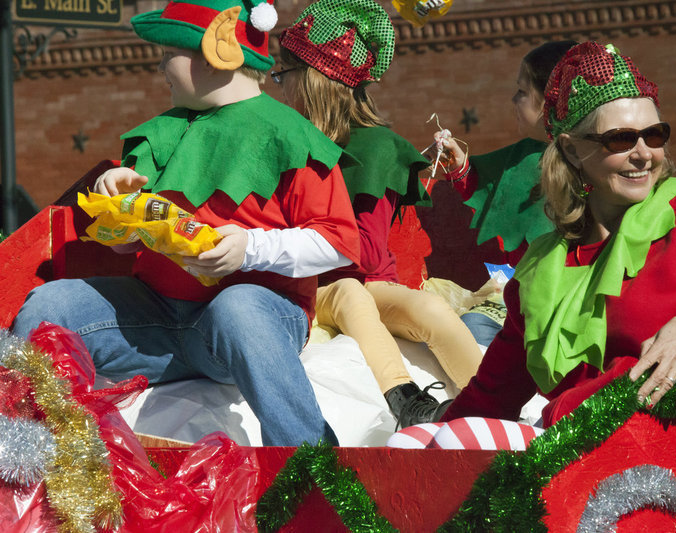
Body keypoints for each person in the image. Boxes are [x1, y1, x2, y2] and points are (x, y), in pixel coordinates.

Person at [392, 41, 676, 448]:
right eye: (620, 139)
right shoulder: (540, 271)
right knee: (415, 444)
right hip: (577, 466)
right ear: (571, 149)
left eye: (655, 135)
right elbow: (491, 396)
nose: (644, 154)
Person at [12, 0, 361, 447]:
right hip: (154, 319)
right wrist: (118, 204)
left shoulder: (290, 135)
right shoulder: (158, 133)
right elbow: (125, 247)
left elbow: (338, 243)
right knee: (47, 306)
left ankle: (309, 464)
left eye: (168, 52)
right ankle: (31, 456)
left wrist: (250, 248)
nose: (159, 65)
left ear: (215, 53)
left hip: (248, 323)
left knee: (238, 308)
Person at [275, 0, 484, 427]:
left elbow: (368, 254)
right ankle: (404, 399)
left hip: (371, 284)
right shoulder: (288, 144)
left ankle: (492, 404)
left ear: (314, 80)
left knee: (428, 310)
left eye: (285, 75)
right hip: (317, 291)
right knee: (351, 294)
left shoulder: (374, 147)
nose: (279, 87)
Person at [431, 40, 577, 347]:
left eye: (522, 91)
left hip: (568, 307)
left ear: (551, 100)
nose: (514, 98)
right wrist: (460, 169)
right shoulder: (520, 159)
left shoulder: (594, 167)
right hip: (516, 301)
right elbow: (494, 195)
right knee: (468, 331)